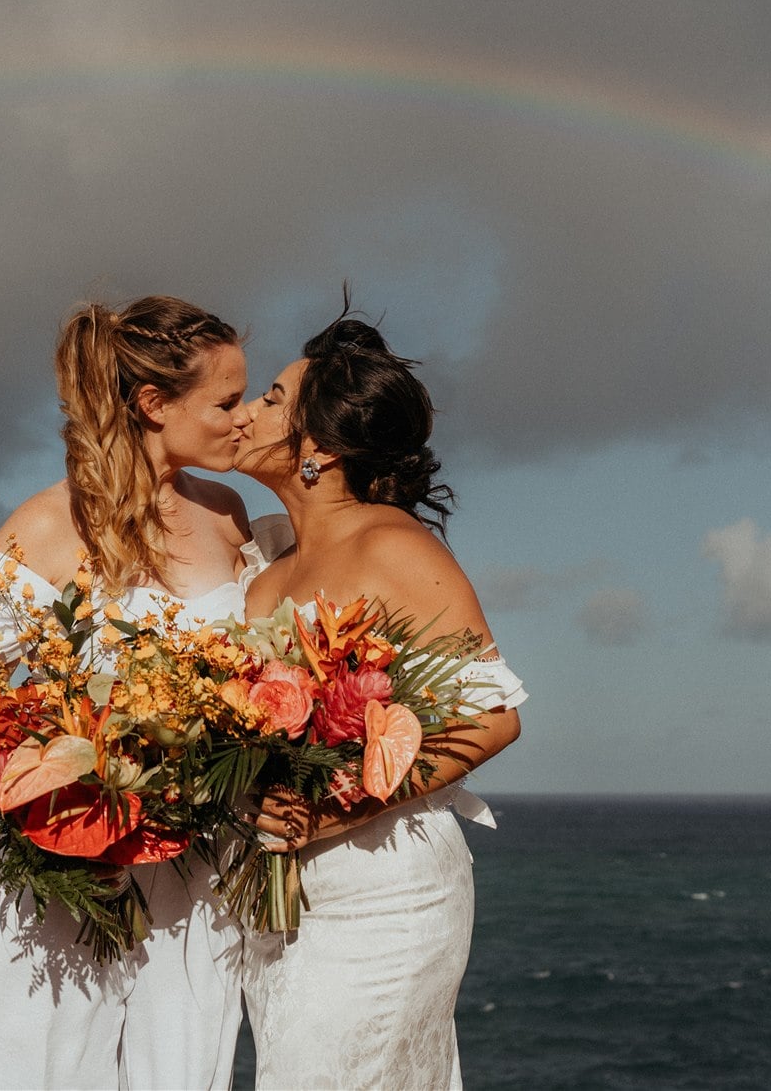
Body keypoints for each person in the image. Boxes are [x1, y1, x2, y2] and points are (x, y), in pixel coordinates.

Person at [0, 295, 267, 1090]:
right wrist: (65, 821)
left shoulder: (228, 515)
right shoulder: (48, 525)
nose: (245, 417)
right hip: (62, 868)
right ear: (154, 404)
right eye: (226, 401)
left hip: (198, 868)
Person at [234, 315, 526, 1090]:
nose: (245, 414)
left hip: (386, 893)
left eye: (269, 399)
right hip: (284, 904)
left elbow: (493, 716)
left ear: (320, 446)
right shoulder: (263, 579)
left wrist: (336, 811)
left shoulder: (393, 542)